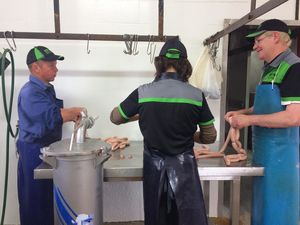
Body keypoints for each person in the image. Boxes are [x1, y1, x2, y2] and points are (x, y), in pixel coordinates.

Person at [110, 37, 217, 225]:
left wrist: (140, 114)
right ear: (185, 65)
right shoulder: (196, 95)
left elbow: (115, 117)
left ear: (159, 63)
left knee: (156, 215)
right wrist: (187, 133)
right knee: (187, 217)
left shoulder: (143, 92)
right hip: (184, 167)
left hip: (154, 166)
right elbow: (210, 136)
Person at [224, 19, 300, 225]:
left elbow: (294, 117)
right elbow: (269, 106)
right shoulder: (269, 69)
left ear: (275, 37)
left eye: (259, 40)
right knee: (261, 213)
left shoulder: (294, 68)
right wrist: (241, 112)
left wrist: (248, 120)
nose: (255, 45)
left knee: (277, 214)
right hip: (263, 154)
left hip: (283, 159)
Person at [17, 46, 84, 225]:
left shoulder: (45, 89)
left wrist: (71, 113)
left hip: (46, 149)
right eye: (51, 65)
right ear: (36, 68)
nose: (56, 69)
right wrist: (75, 112)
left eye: (55, 64)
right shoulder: (30, 92)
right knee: (36, 203)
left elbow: (53, 114)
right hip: (33, 151)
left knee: (47, 200)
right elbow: (51, 117)